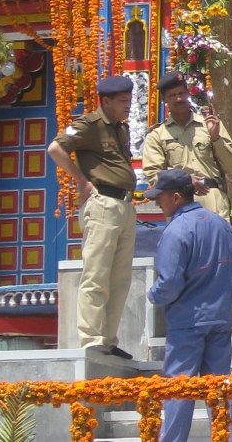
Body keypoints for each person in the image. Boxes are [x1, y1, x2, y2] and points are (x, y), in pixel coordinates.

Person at [146, 169, 232, 442]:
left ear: (176, 197)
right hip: (219, 319)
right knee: (220, 393)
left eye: (160, 197)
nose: (157, 203)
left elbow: (170, 283)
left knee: (179, 392)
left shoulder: (175, 231)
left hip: (187, 323)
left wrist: (152, 295)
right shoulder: (220, 224)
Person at [47, 74, 137, 356]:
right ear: (106, 101)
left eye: (129, 100)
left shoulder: (120, 129)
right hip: (102, 204)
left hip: (124, 205)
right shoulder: (88, 125)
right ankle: (91, 338)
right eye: (122, 101)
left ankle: (108, 340)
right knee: (96, 273)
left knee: (119, 279)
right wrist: (80, 181)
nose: (128, 105)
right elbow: (55, 149)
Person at [141, 72, 232, 221]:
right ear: (164, 99)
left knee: (217, 243)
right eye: (172, 95)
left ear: (188, 93)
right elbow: (153, 174)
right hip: (179, 202)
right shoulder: (157, 135)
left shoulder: (210, 125)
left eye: (181, 93)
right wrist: (184, 180)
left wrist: (216, 139)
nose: (178, 99)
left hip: (212, 198)